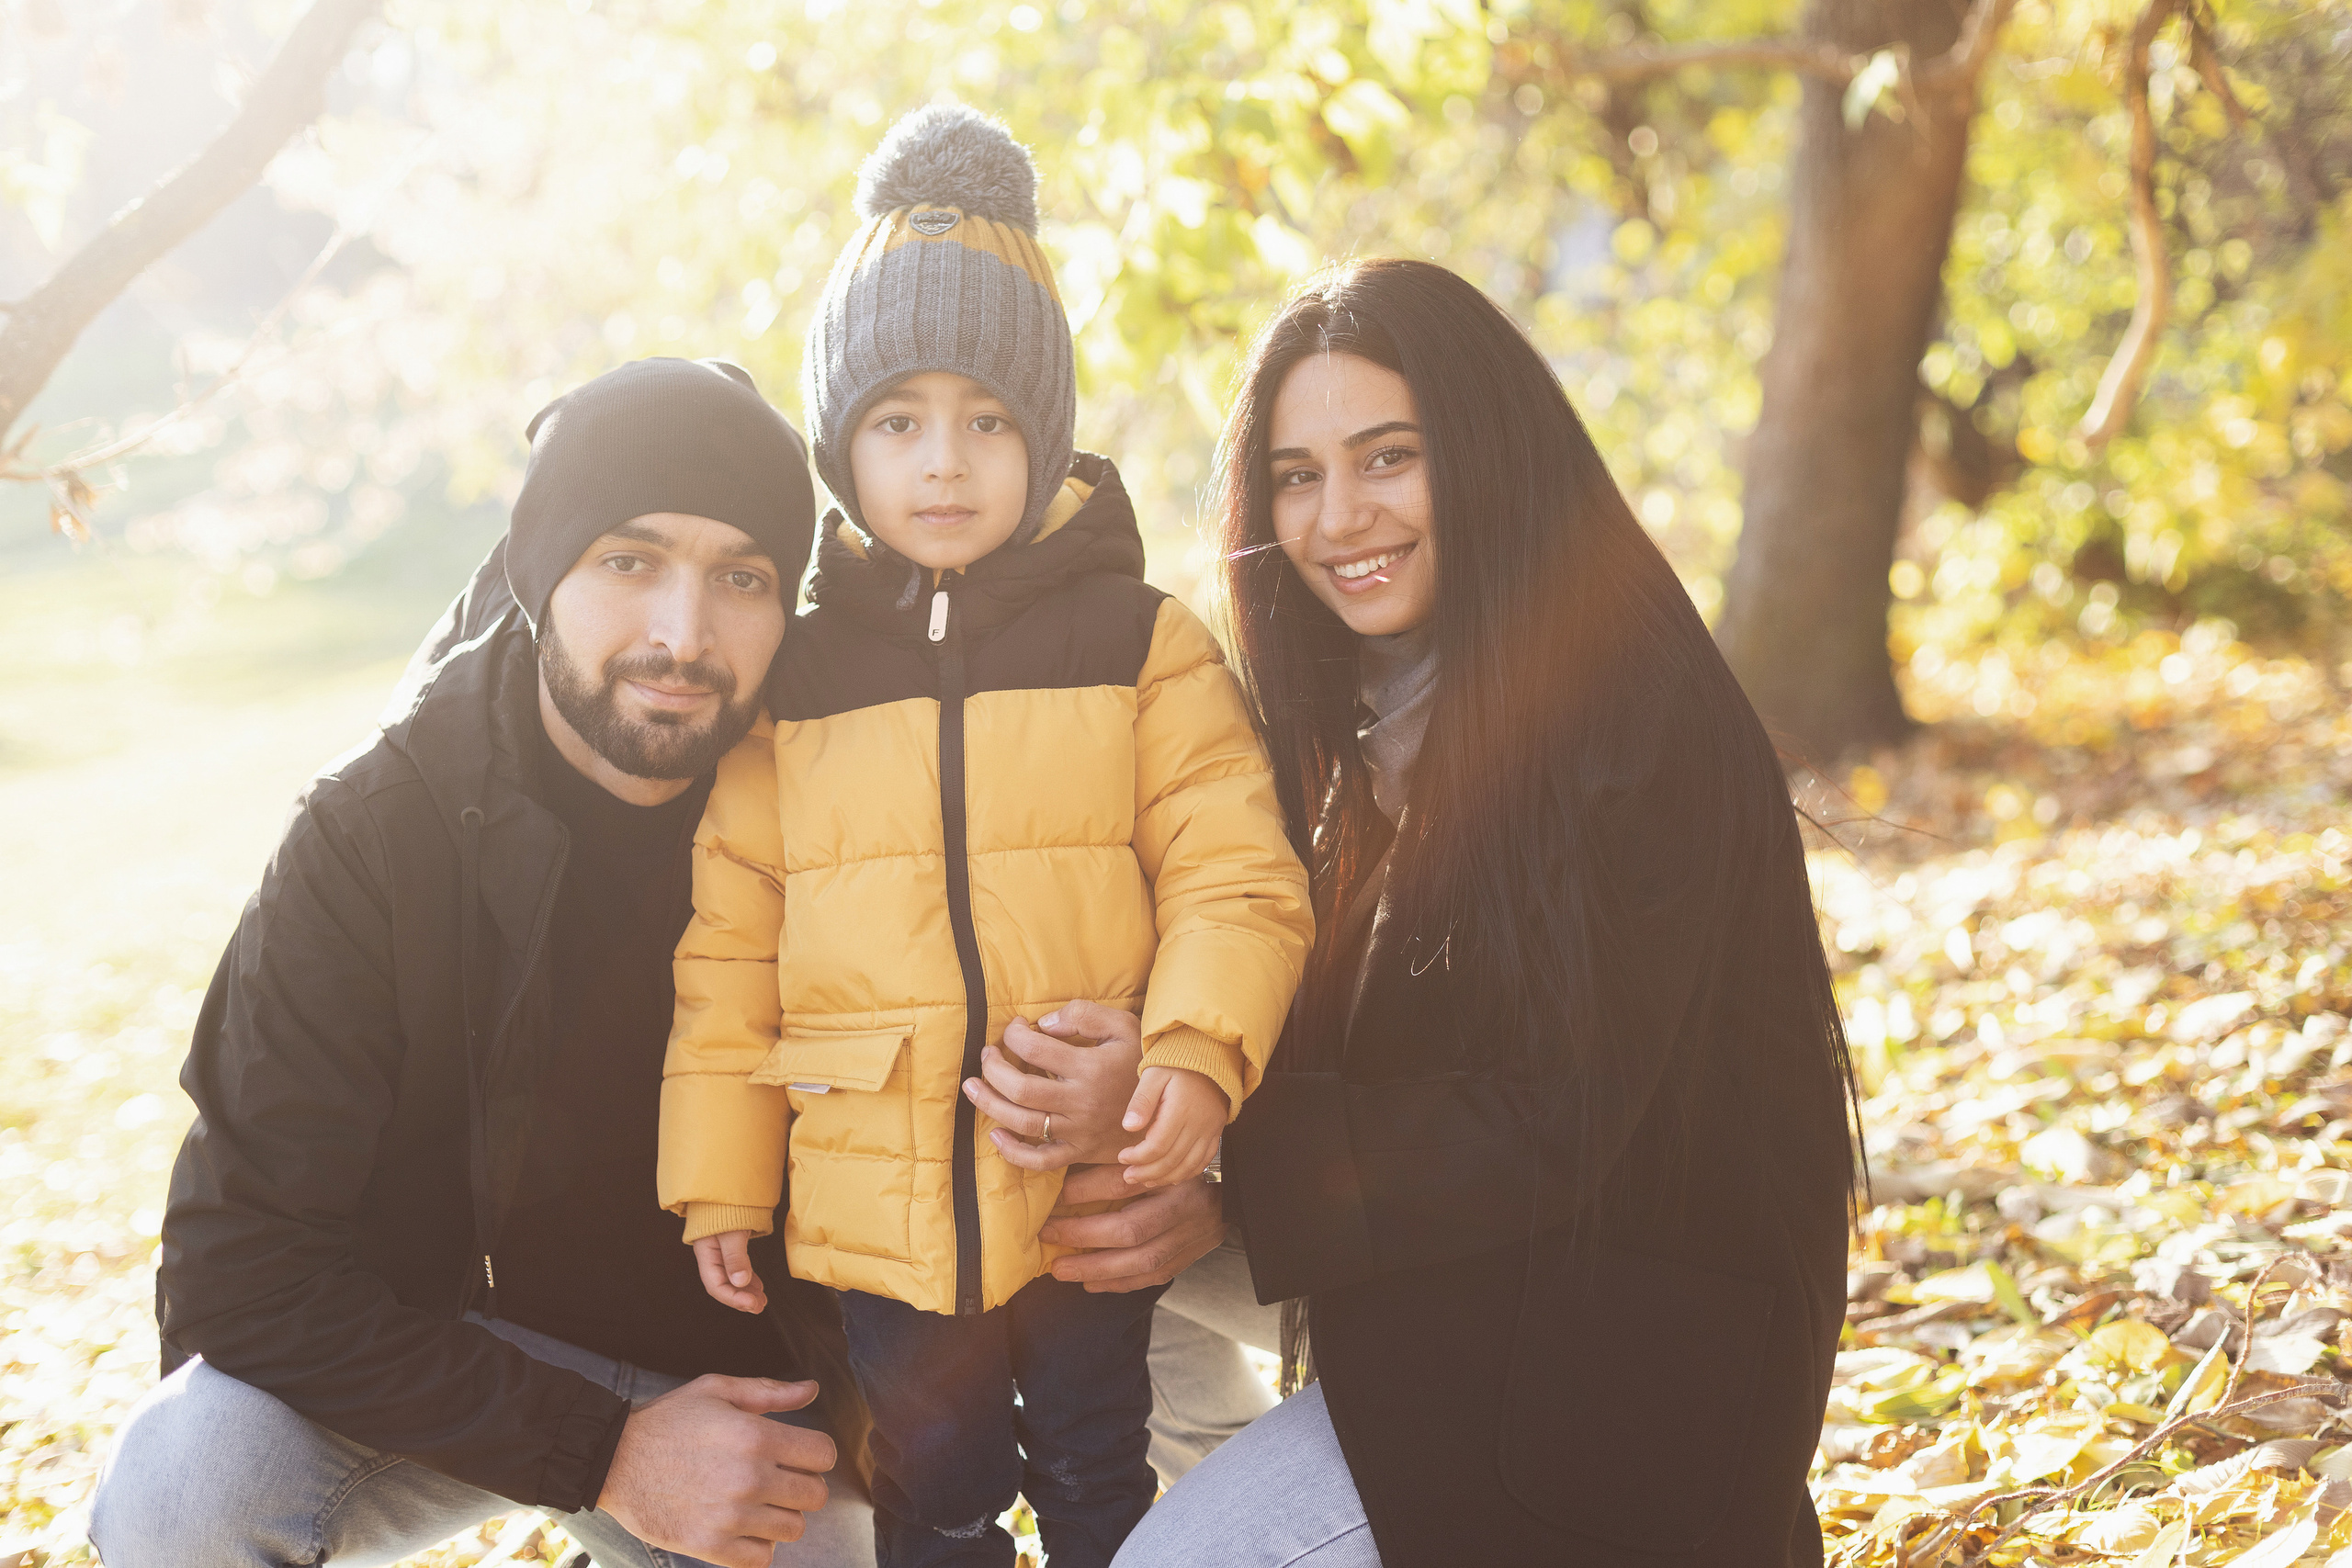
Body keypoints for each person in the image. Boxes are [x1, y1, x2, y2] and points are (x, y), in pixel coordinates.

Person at [87, 356, 1150, 1568]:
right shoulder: (379, 833)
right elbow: (237, 1269)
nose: (683, 635)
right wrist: (605, 1450)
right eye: (629, 561)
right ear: (541, 571)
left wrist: (1146, 1095)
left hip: (759, 1411)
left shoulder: (864, 804)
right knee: (184, 1486)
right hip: (446, 1358)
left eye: (742, 577)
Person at [1114, 259, 1861, 1566]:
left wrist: (1235, 1189)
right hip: (1478, 1283)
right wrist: (1146, 1096)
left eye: (1388, 457)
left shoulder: (1629, 711)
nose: (1339, 517)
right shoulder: (1369, 730)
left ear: (1486, 449)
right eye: (1296, 475)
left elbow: (1554, 1112)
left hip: (1617, 1362)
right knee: (1098, 1252)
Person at [658, 104, 1313, 1568]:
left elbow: (1234, 875)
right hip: (872, 1185)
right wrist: (721, 1173)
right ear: (843, 447)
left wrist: (1196, 1054)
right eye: (899, 421)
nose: (943, 463)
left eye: (987, 421)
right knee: (934, 1488)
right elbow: (731, 949)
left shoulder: (1139, 645)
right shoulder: (795, 685)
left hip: (1078, 1184)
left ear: (1044, 434)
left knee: (1095, 1463)